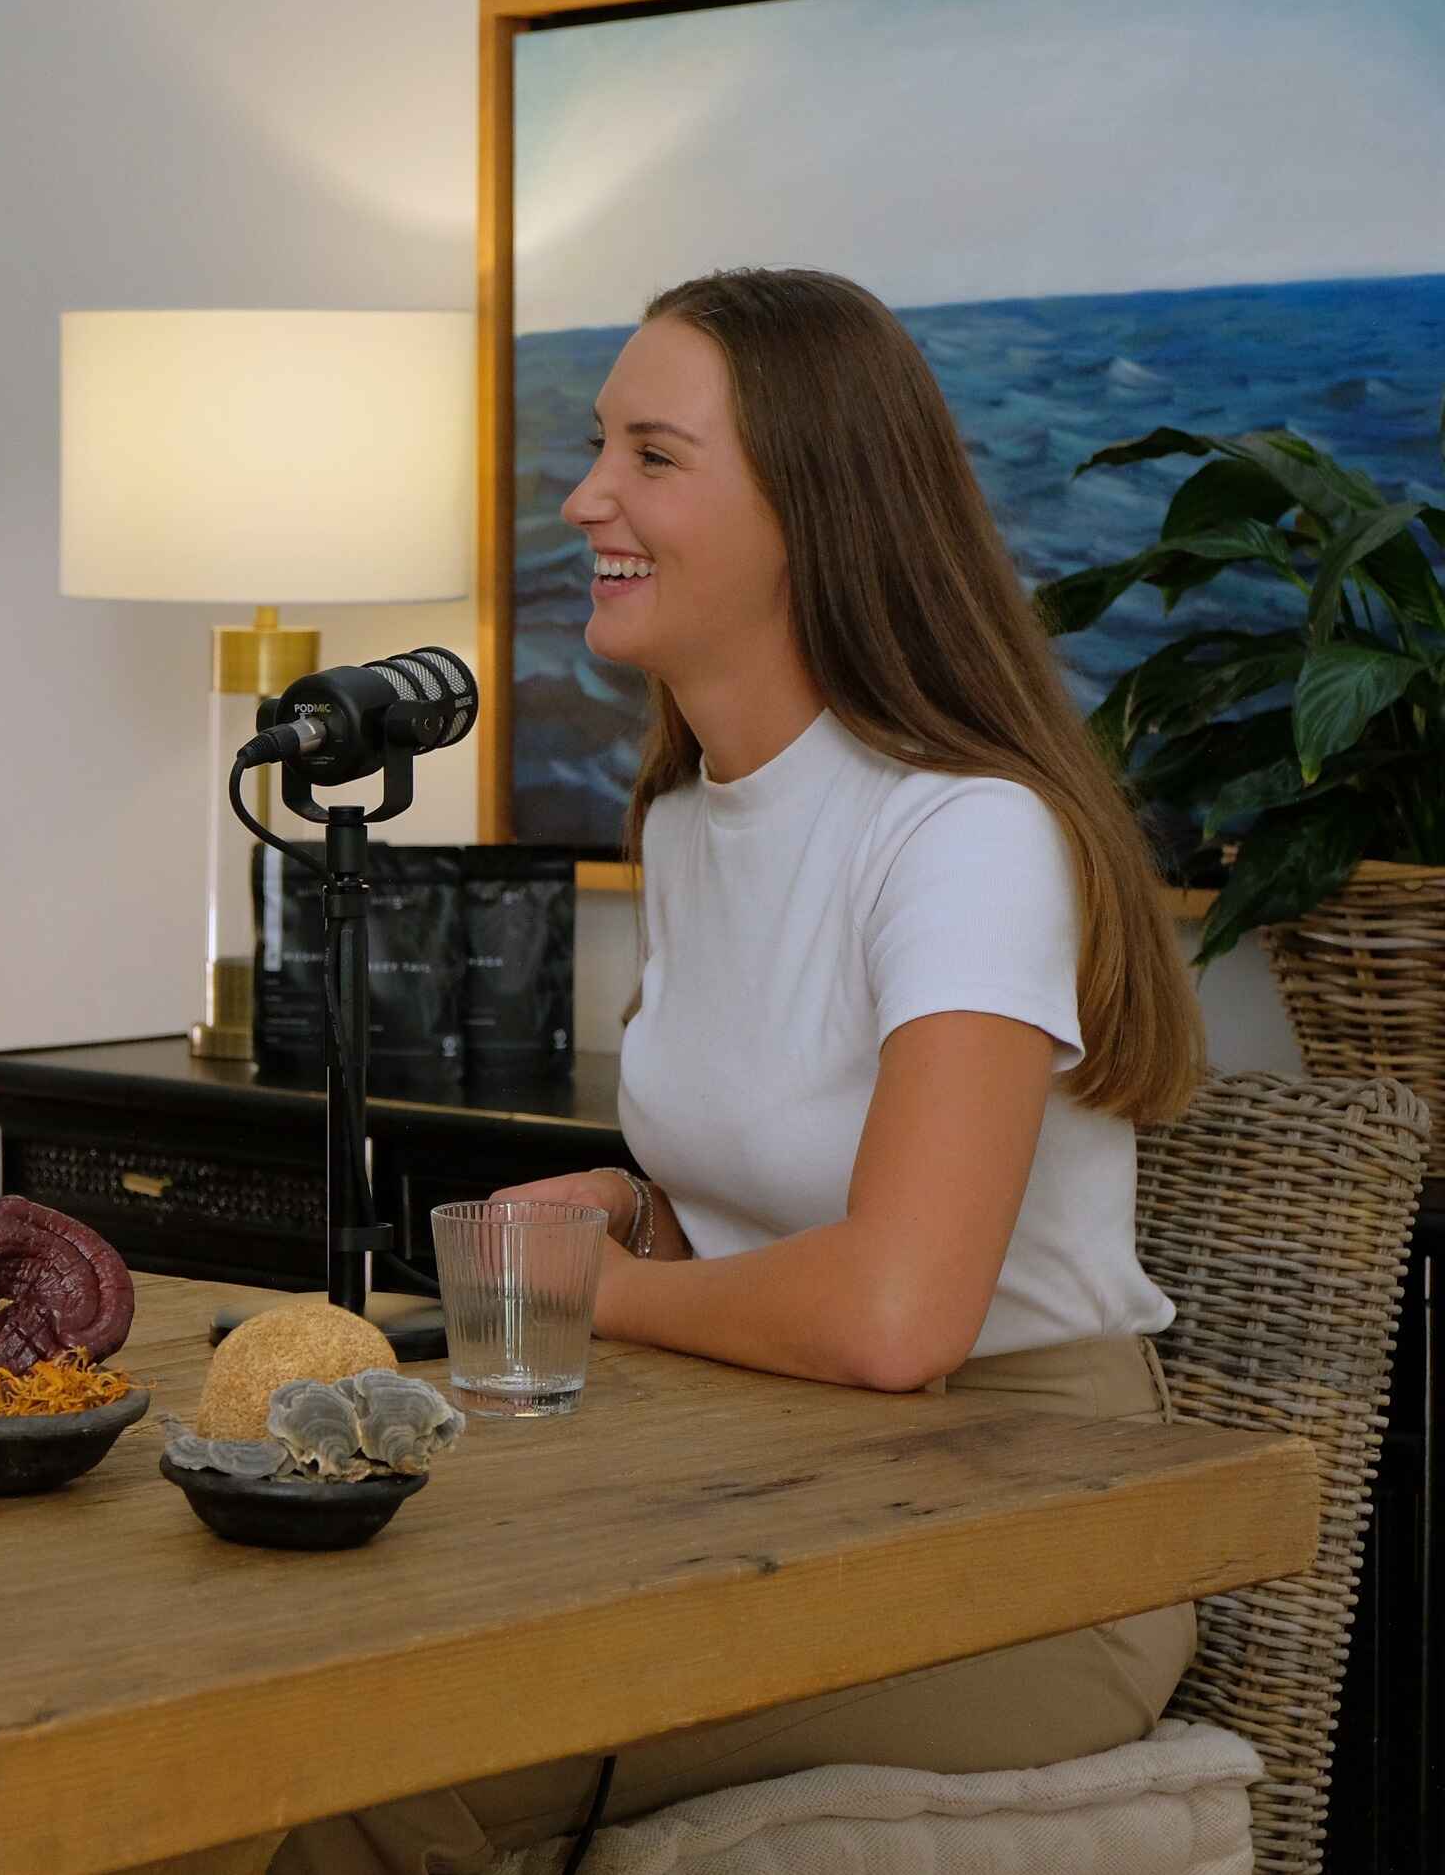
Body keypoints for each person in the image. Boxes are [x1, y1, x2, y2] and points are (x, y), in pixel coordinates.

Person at [275, 268, 1207, 1874]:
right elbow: (790, 1188)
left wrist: (586, 1284)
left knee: (366, 1767)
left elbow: (896, 1314)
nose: (583, 498)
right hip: (775, 1479)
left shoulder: (964, 834)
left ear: (812, 508)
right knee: (282, 1676)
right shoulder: (693, 822)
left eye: (652, 455)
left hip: (1033, 1543)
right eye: (595, 449)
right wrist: (643, 1209)